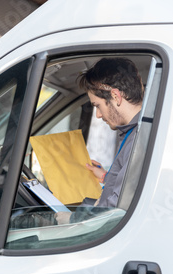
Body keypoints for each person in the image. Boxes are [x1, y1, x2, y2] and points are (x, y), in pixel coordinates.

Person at [54, 57, 144, 224]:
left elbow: (116, 209)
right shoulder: (135, 132)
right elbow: (128, 184)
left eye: (97, 105)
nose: (98, 115)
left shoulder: (139, 140)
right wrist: (107, 177)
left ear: (115, 96)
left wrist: (73, 219)